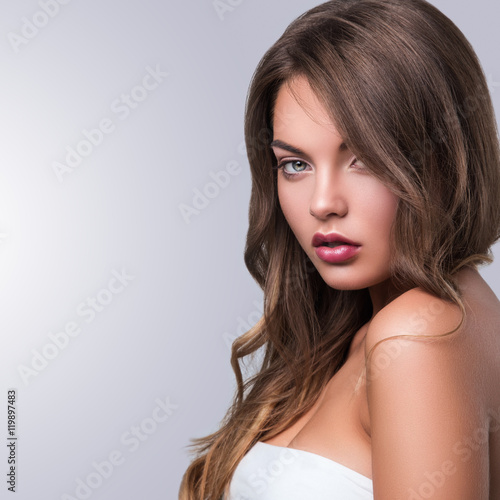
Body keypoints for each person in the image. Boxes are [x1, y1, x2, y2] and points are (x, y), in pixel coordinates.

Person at [179, 0, 500, 498]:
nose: (323, 204)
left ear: (444, 157)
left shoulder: (413, 338)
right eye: (295, 165)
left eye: (364, 160)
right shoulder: (374, 327)